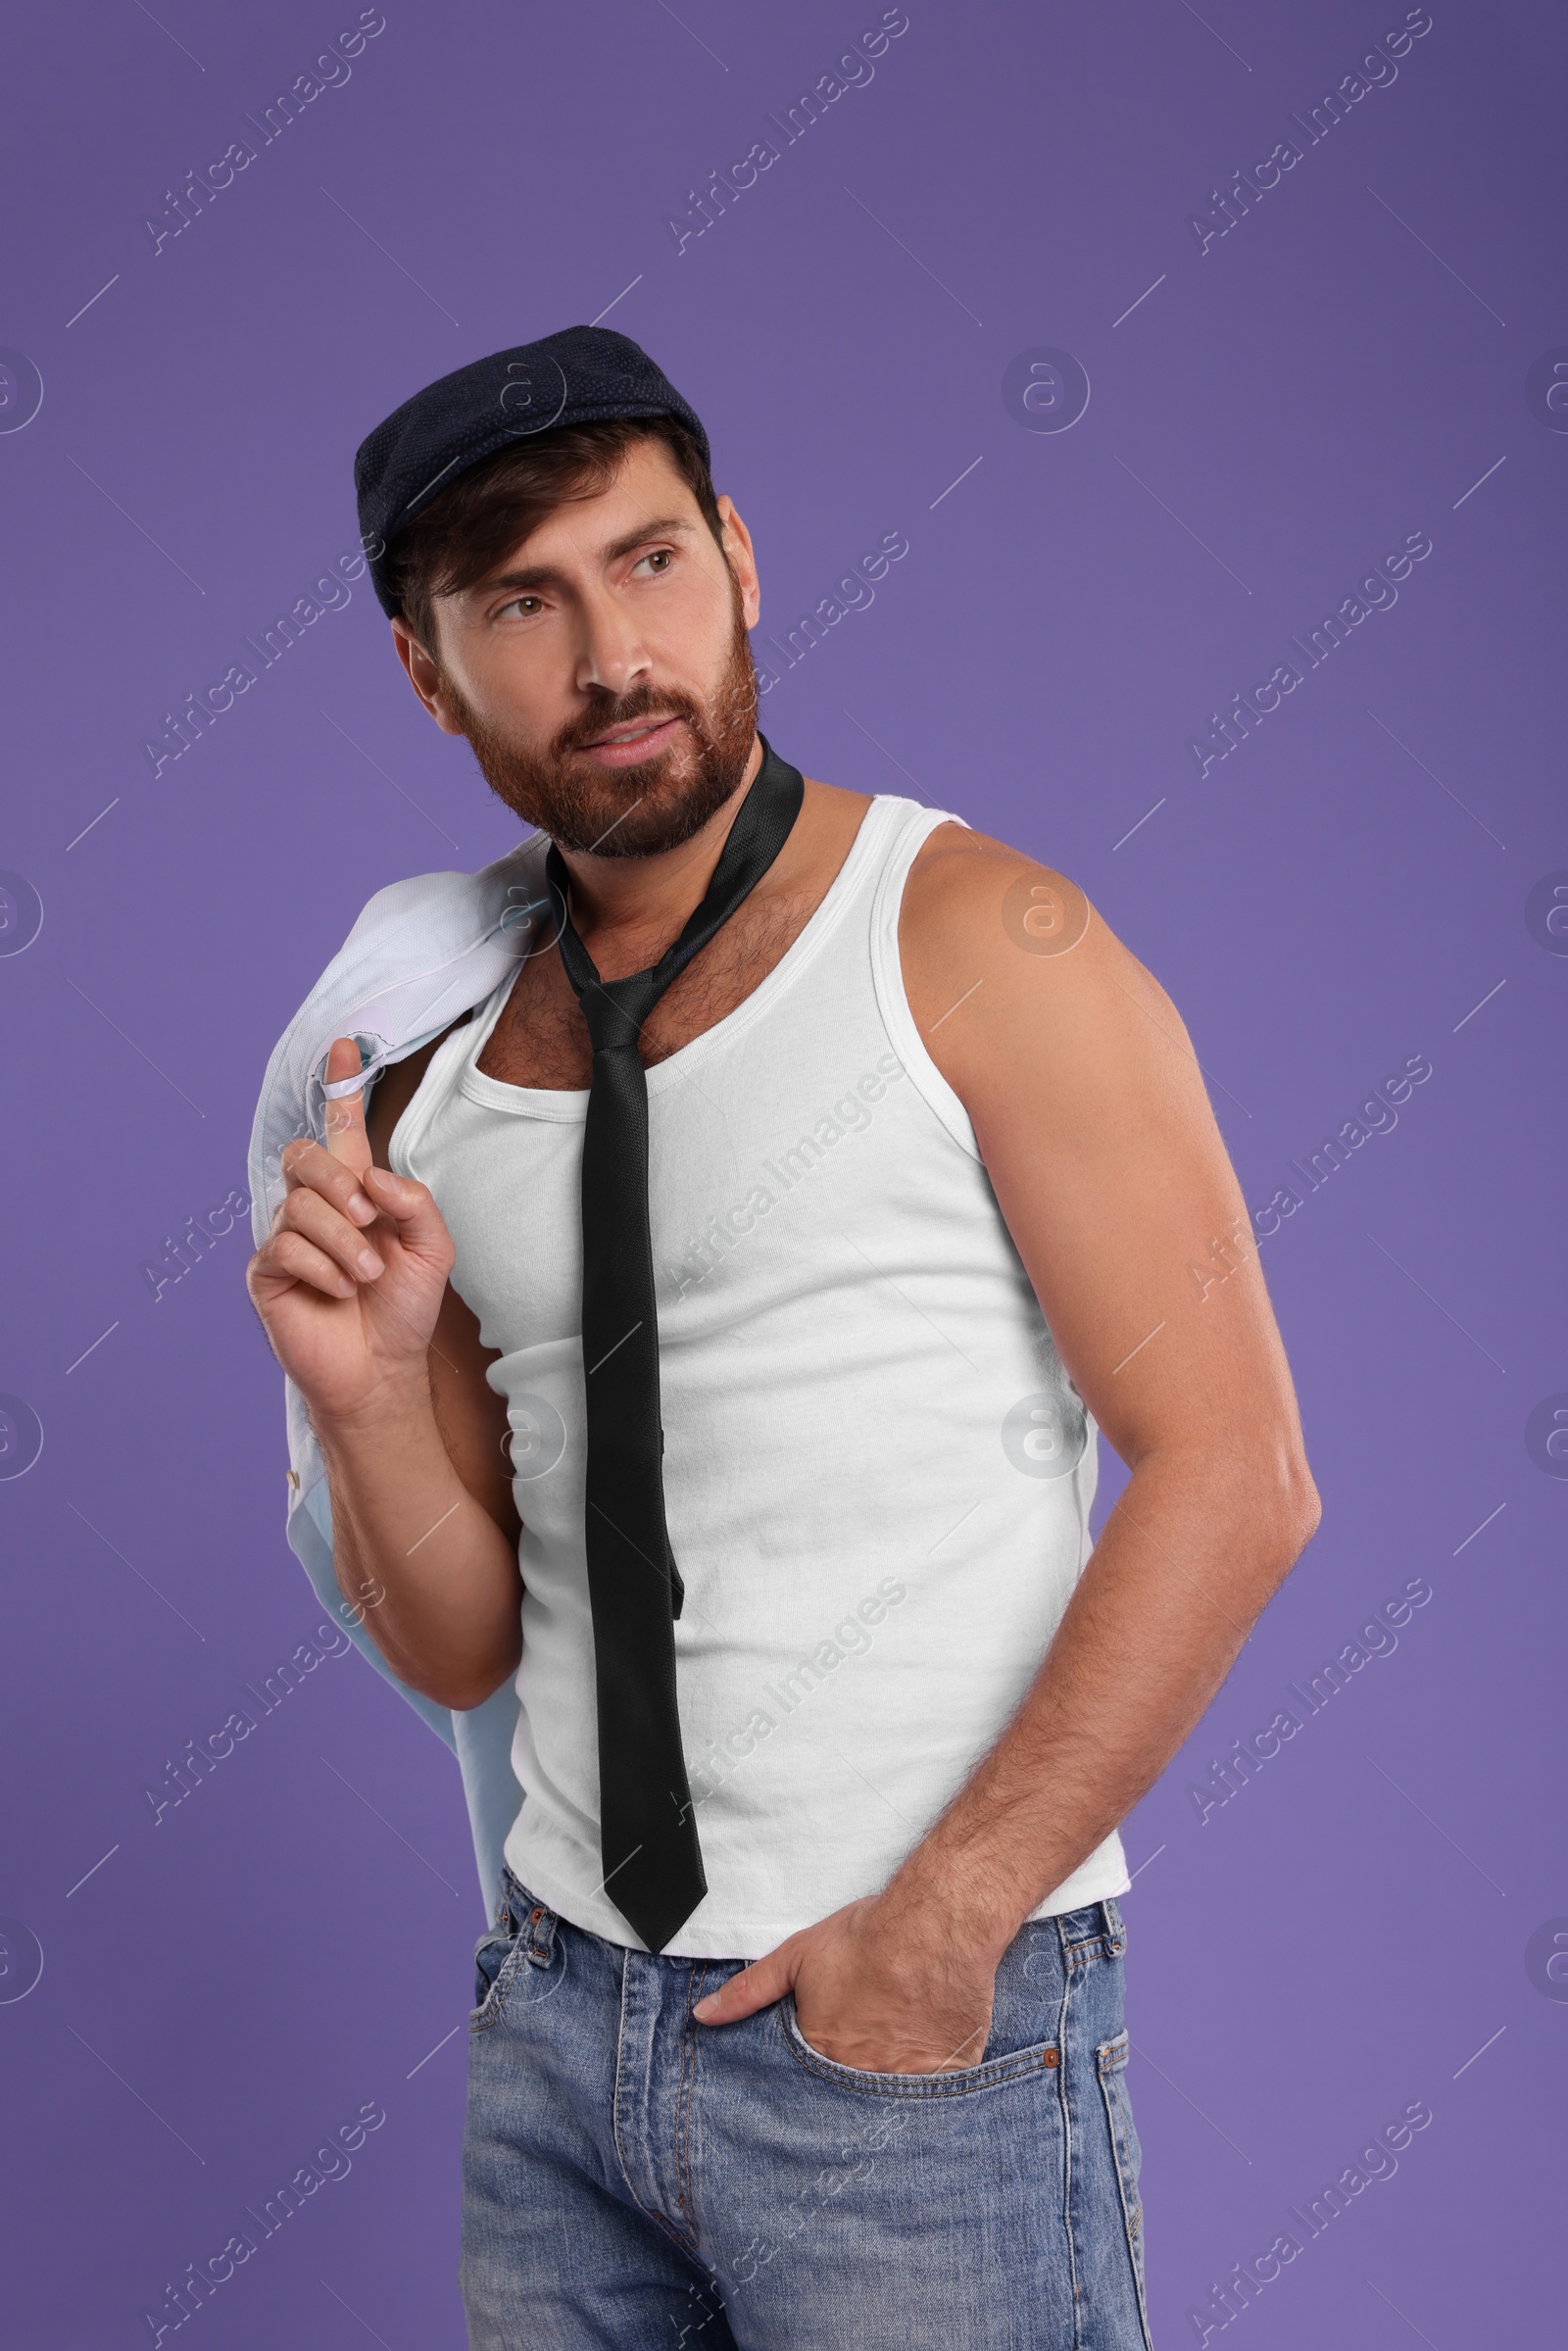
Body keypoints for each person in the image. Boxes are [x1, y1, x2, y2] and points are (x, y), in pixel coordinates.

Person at [245, 325, 1319, 2348]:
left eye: (647, 563)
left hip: (906, 2047)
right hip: (559, 2026)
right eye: (520, 605)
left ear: (738, 556)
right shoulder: (424, 1082)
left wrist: (949, 1923)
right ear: (427, 667)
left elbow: (1236, 1475)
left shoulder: (978, 942)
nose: (608, 655)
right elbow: (463, 1642)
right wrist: (377, 1393)